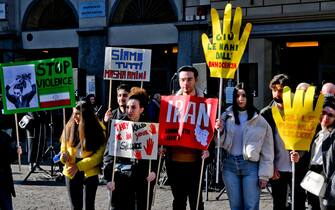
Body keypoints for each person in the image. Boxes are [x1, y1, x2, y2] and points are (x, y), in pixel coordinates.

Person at [215, 83, 274, 210]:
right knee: (235, 206)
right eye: (237, 95)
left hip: (251, 166)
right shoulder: (225, 116)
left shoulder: (259, 120)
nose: (240, 99)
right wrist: (219, 131)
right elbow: (218, 143)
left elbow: (267, 150)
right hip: (229, 164)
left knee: (251, 206)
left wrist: (264, 175)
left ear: (249, 97)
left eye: (244, 95)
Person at [104, 87, 157, 210]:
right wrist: (108, 178)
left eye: (133, 107)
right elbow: (108, 155)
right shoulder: (118, 126)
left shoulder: (150, 129)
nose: (129, 110)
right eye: (128, 107)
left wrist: (154, 171)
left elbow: (156, 153)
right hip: (121, 178)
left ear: (141, 109)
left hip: (142, 179)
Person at [164, 65, 209, 210]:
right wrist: (162, 146)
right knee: (178, 202)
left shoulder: (207, 103)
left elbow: (210, 133)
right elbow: (164, 130)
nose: (186, 83)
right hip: (175, 164)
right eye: (182, 80)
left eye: (189, 79)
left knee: (196, 203)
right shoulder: (170, 103)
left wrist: (210, 150)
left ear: (196, 80)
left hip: (196, 164)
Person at [260, 74, 304, 210]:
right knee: (279, 204)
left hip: (298, 167)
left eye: (281, 90)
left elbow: (306, 138)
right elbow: (261, 144)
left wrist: (300, 154)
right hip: (277, 169)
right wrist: (270, 166)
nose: (276, 94)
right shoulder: (266, 114)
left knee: (299, 203)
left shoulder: (300, 112)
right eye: (274, 90)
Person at [60, 101, 106, 210]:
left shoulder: (99, 128)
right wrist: (63, 157)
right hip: (70, 169)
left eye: (78, 114)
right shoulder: (70, 125)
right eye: (74, 113)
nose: (74, 117)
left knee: (89, 206)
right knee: (75, 206)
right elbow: (63, 147)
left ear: (86, 114)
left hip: (90, 171)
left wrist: (79, 166)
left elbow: (99, 155)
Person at [307, 98, 335, 210]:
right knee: (312, 206)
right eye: (323, 113)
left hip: (326, 177)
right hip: (313, 175)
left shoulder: (333, 134)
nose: (325, 117)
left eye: (330, 115)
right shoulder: (316, 132)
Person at [0, 129, 22, 210]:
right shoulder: (4, 136)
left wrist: (16, 152)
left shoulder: (4, 136)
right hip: (3, 177)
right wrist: (17, 152)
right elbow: (10, 157)